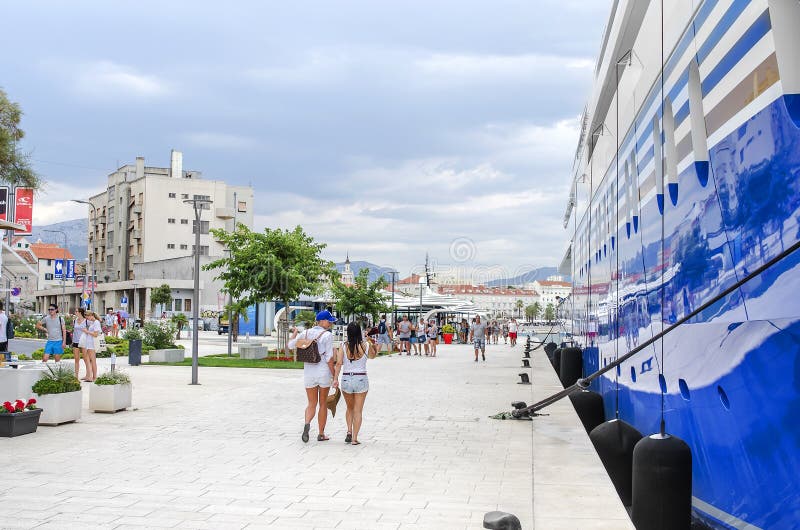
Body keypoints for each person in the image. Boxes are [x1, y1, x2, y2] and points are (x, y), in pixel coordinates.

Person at [288, 310, 337, 443]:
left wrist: (294, 335)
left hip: (308, 372)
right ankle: (321, 434)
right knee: (322, 403)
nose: (331, 323)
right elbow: (329, 358)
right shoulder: (327, 335)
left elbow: (290, 345)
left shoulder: (306, 333)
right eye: (329, 321)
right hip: (323, 373)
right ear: (321, 321)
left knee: (311, 403)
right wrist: (334, 375)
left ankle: (307, 423)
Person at [333, 322, 378, 445]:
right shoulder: (366, 346)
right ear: (359, 332)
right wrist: (372, 343)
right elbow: (373, 356)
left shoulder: (343, 346)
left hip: (346, 379)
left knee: (349, 408)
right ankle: (354, 438)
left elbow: (338, 364)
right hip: (361, 379)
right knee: (358, 410)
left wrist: (335, 379)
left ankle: (348, 431)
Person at [80, 311, 102, 382]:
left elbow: (96, 334)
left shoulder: (96, 322)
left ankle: (94, 377)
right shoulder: (93, 322)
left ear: (91, 315)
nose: (87, 318)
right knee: (91, 360)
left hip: (93, 344)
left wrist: (87, 331)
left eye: (87, 316)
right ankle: (91, 376)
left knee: (93, 361)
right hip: (90, 344)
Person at [71, 308, 88, 378]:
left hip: (84, 341)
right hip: (75, 341)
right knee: (76, 359)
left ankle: (88, 374)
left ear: (80, 312)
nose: (75, 312)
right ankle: (76, 376)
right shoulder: (74, 320)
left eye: (76, 311)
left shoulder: (86, 321)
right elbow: (74, 331)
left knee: (85, 358)